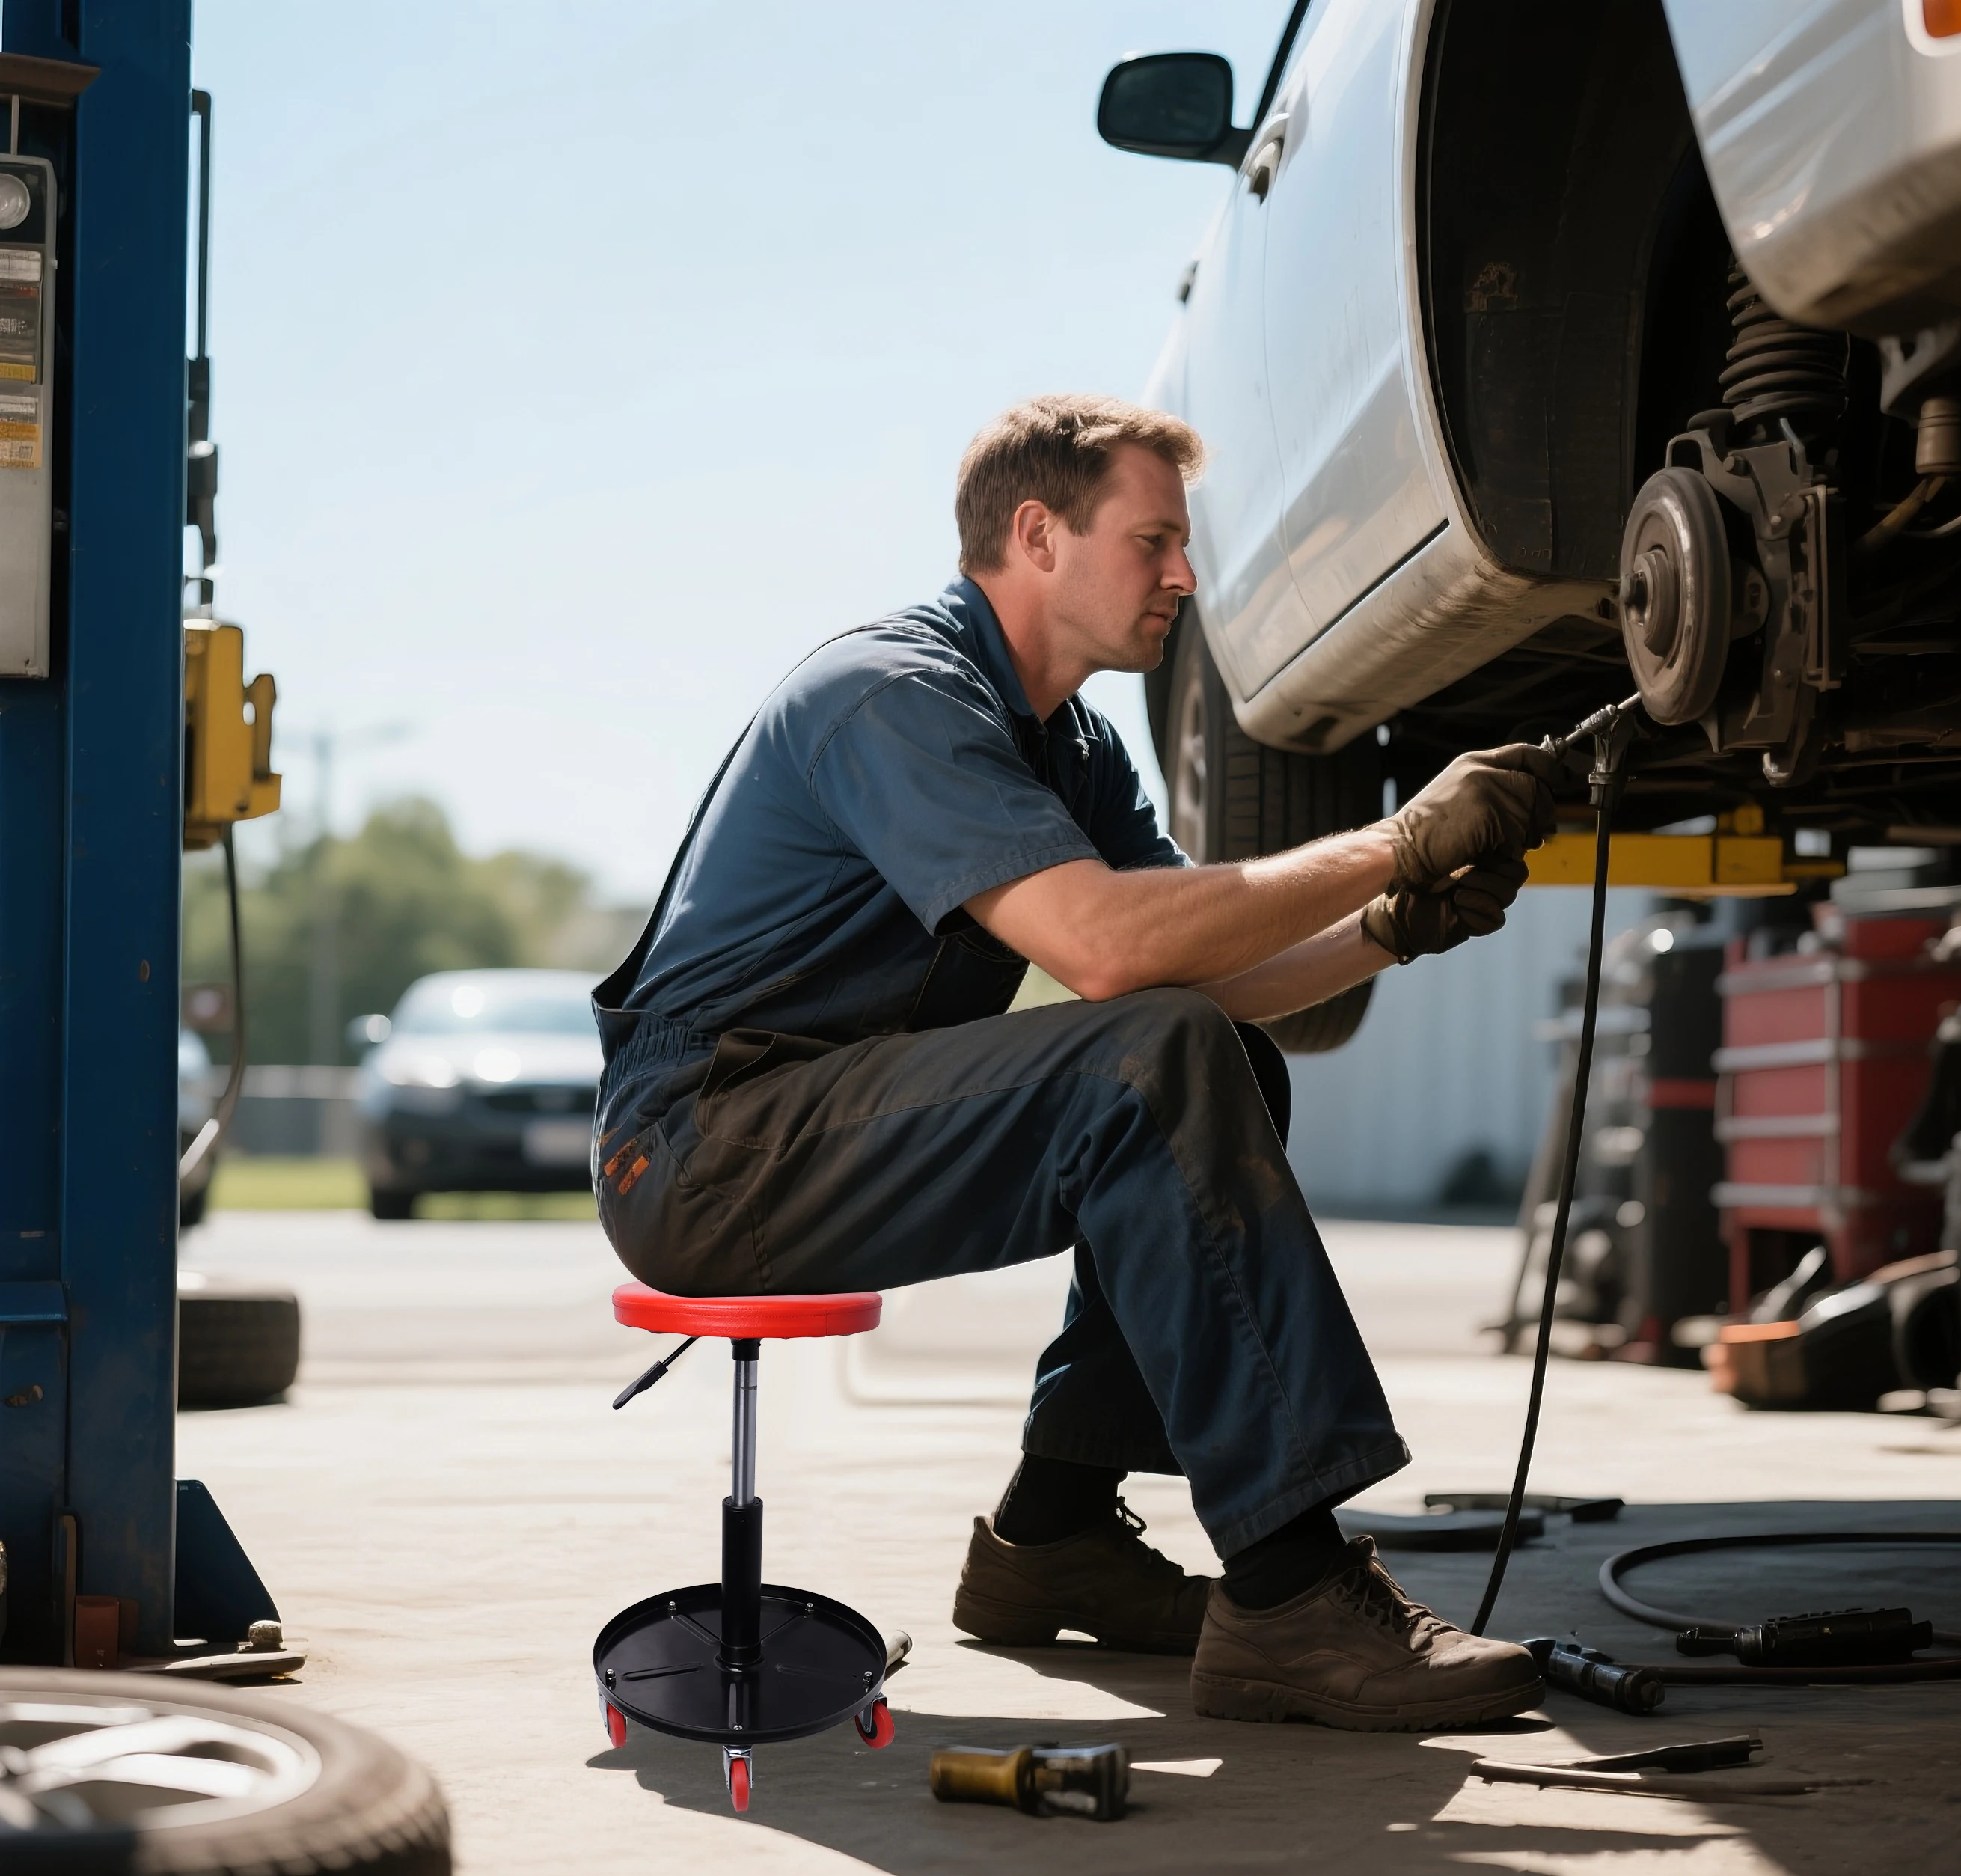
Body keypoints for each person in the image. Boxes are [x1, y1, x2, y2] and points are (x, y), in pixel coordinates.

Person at [593, 395, 1558, 1730]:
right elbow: (1105, 951)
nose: (1185, 575)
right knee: (1154, 1060)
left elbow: (1201, 975)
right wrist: (1394, 841)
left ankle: (1051, 1537)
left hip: (810, 1123)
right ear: (1037, 535)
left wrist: (1389, 928)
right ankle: (1288, 1598)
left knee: (1217, 1057)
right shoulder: (892, 694)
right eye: (1153, 539)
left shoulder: (1074, 745)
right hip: (701, 1150)